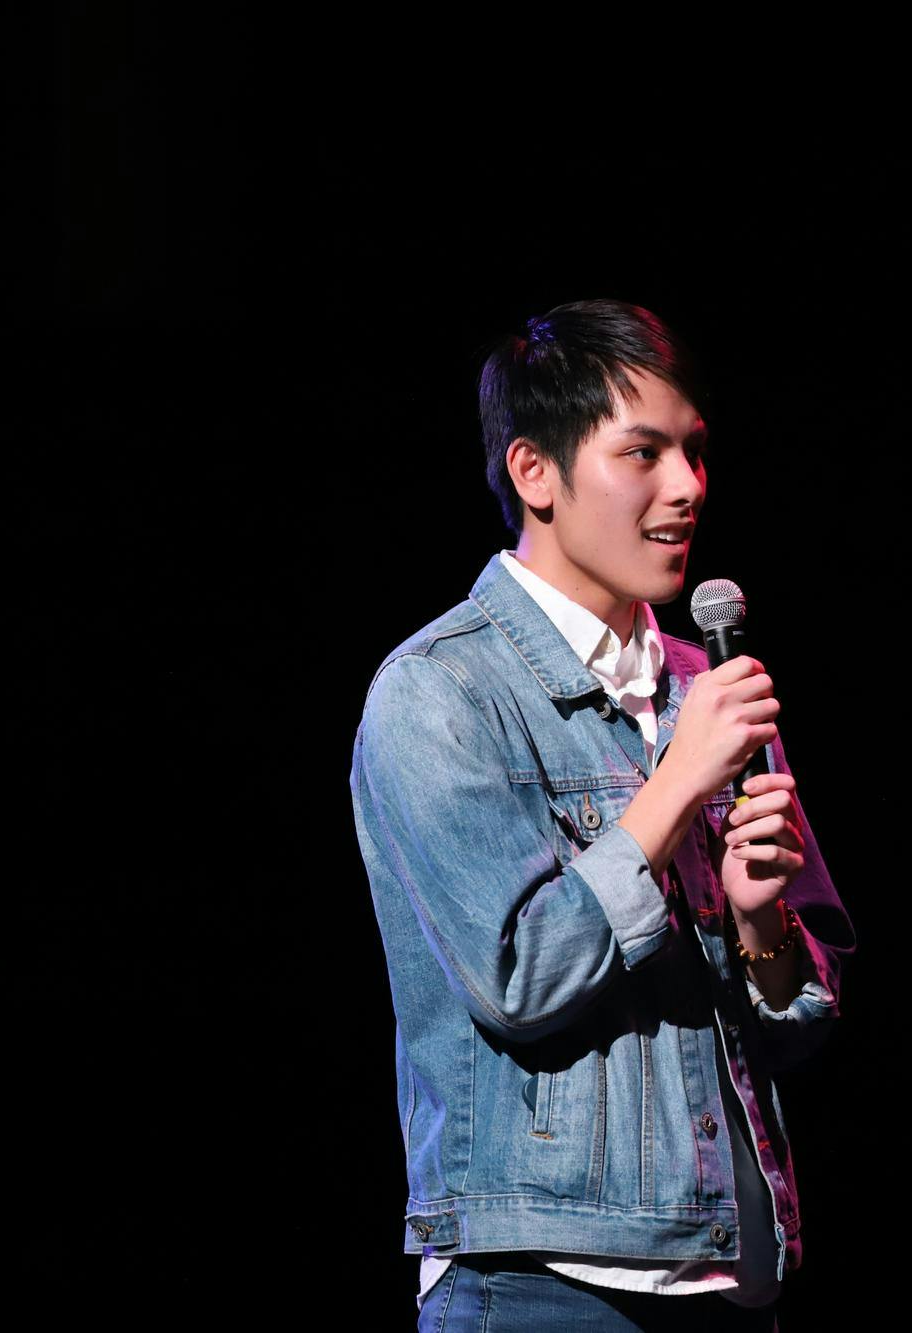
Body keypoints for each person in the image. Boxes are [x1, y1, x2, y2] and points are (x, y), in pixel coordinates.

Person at [351, 301, 851, 1330]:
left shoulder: (700, 682)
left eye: (695, 453)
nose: (687, 488)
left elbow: (799, 1021)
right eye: (645, 454)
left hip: (729, 1269)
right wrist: (672, 791)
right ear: (536, 473)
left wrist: (763, 929)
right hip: (544, 1280)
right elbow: (519, 978)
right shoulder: (440, 689)